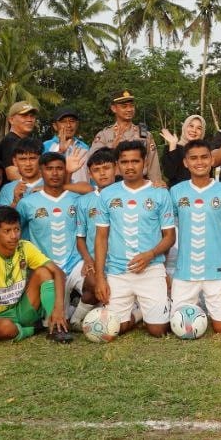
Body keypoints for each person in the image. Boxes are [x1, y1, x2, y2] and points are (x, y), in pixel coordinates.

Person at [90, 141, 176, 336]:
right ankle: (138, 314)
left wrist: (150, 255)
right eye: (124, 162)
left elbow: (170, 237)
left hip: (151, 269)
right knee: (111, 331)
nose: (130, 166)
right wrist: (100, 277)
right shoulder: (107, 195)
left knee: (158, 331)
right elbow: (101, 238)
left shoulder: (160, 193)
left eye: (135, 161)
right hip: (118, 271)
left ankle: (153, 310)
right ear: (118, 165)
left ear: (144, 162)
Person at [0, 206, 69, 345]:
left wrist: (58, 309)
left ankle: (55, 327)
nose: (14, 236)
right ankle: (33, 329)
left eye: (17, 229)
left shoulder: (25, 247)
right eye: (7, 231)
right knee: (3, 328)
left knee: (44, 272)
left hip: (23, 308)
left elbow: (58, 272)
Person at [170, 139, 221, 333]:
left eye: (204, 157)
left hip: (215, 271)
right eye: (193, 158)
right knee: (177, 326)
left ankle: (203, 312)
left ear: (212, 160)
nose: (199, 162)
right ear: (185, 162)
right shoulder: (175, 192)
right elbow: (166, 234)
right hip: (185, 272)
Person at [17, 152, 86, 311]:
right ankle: (65, 313)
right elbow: (15, 231)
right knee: (53, 316)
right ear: (41, 171)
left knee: (97, 288)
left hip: (75, 263)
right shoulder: (27, 203)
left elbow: (93, 190)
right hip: (46, 267)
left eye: (59, 169)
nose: (54, 173)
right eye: (49, 169)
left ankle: (76, 318)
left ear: (65, 171)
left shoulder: (78, 198)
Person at [72, 147, 120, 328]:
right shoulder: (84, 202)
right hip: (96, 260)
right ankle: (76, 320)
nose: (102, 173)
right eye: (97, 170)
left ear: (116, 168)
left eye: (106, 168)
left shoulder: (124, 195)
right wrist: (88, 259)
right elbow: (80, 237)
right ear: (90, 175)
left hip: (122, 261)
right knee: (94, 282)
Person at [90, 90, 163, 185]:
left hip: (140, 183)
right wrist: (111, 150)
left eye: (131, 106)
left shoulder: (144, 134)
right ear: (114, 108)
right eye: (124, 106)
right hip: (113, 184)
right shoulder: (104, 135)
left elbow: (153, 163)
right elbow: (94, 162)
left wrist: (156, 183)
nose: (129, 109)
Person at [161, 114, 207, 187]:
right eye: (191, 126)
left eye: (199, 128)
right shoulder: (171, 147)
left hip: (200, 193)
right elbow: (169, 174)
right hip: (177, 194)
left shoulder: (205, 151)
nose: (194, 130)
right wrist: (173, 146)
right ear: (184, 127)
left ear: (202, 132)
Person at [0, 101, 39, 181]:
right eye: (24, 116)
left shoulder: (23, 142)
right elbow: (11, 173)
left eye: (32, 116)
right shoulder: (10, 141)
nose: (29, 120)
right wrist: (32, 187)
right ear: (11, 120)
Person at [0, 138, 44, 206]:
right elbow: (0, 216)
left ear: (41, 159)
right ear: (15, 161)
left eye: (32, 158)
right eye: (22, 159)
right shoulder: (6, 189)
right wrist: (15, 201)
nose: (28, 164)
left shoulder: (50, 185)